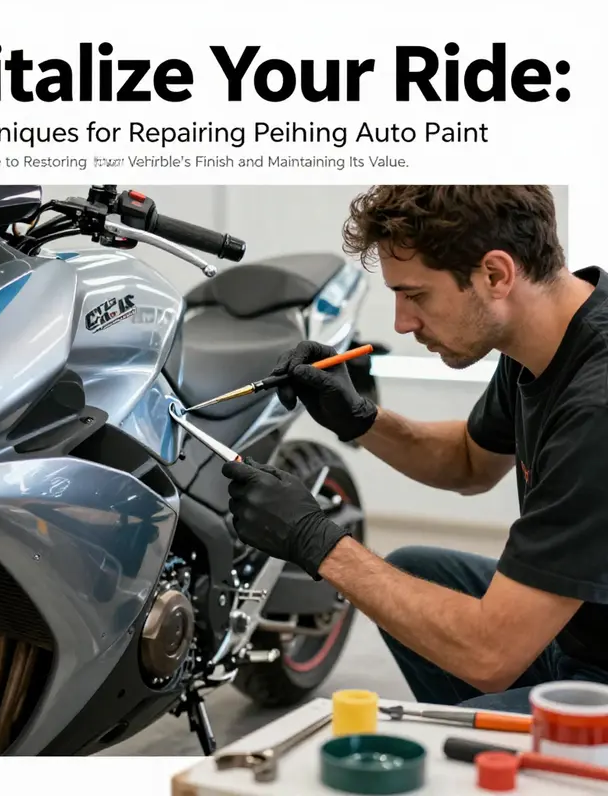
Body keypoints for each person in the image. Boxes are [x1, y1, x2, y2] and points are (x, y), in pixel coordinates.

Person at [221, 185, 608, 712]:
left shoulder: (595, 407)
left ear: (495, 275)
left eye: (416, 295)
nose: (403, 322)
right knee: (415, 573)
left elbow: (491, 654)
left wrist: (316, 542)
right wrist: (361, 420)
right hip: (580, 636)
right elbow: (471, 463)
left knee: (445, 743)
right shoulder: (543, 339)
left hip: (596, 673)